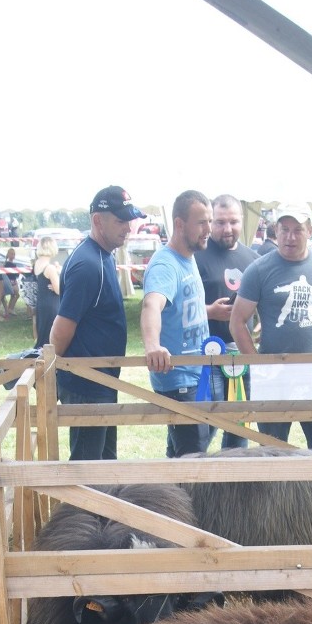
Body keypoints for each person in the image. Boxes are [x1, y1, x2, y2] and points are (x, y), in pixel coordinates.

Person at [230, 201, 312, 456]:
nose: (290, 237)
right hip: (274, 375)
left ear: (310, 230)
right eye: (284, 229)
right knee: (272, 449)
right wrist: (257, 363)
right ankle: (273, 496)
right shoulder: (258, 270)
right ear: (275, 231)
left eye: (297, 229)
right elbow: (237, 320)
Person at [50, 185, 146, 462]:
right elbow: (62, 328)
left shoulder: (102, 255)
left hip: (98, 380)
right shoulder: (88, 264)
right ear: (97, 220)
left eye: (129, 220)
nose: (127, 227)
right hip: (86, 384)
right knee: (86, 468)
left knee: (103, 464)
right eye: (120, 221)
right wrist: (51, 371)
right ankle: (80, 508)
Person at [141, 189, 212, 457]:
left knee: (183, 456)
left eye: (210, 221)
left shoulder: (188, 257)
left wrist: (209, 312)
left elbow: (177, 307)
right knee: (192, 463)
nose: (208, 229)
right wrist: (152, 346)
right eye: (202, 222)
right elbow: (152, 305)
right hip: (179, 381)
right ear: (180, 224)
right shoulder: (165, 265)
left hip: (197, 377)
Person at [195, 193, 258, 449]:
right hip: (205, 355)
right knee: (202, 427)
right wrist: (209, 311)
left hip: (241, 355)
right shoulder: (195, 255)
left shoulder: (254, 259)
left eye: (233, 221)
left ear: (242, 221)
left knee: (239, 426)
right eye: (220, 222)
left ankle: (233, 484)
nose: (227, 228)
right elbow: (177, 306)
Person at [32, 236, 61, 347]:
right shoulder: (50, 268)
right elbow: (59, 290)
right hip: (52, 304)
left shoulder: (37, 264)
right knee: (51, 336)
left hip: (41, 303)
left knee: (43, 334)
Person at [2, 247, 18, 318]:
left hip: (12, 281)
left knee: (14, 295)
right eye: (11, 254)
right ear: (8, 255)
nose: (13, 256)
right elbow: (16, 274)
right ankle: (10, 308)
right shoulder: (10, 264)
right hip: (11, 282)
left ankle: (9, 309)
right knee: (16, 295)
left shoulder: (6, 264)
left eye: (14, 254)